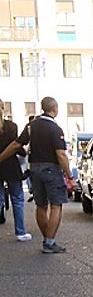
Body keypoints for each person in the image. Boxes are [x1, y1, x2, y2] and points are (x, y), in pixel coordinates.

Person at [0, 97, 72, 252]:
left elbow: (16, 145)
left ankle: (47, 239)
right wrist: (69, 175)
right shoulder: (55, 129)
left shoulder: (31, 126)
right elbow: (61, 154)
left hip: (34, 169)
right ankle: (49, 242)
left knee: (41, 205)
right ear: (55, 109)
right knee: (56, 205)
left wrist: (0, 158)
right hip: (51, 170)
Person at [0, 102, 32, 241]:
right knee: (17, 199)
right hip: (10, 165)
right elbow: (15, 145)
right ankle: (20, 232)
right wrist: (24, 153)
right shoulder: (11, 126)